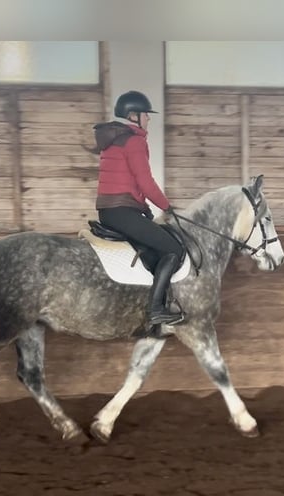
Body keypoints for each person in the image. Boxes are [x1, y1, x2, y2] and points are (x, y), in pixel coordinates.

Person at [92, 90, 185, 327]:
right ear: (133, 116)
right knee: (173, 249)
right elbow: (145, 182)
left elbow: (127, 183)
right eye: (146, 114)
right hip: (122, 211)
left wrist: (143, 207)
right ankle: (156, 310)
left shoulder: (114, 138)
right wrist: (167, 206)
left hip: (111, 210)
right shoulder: (134, 141)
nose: (149, 119)